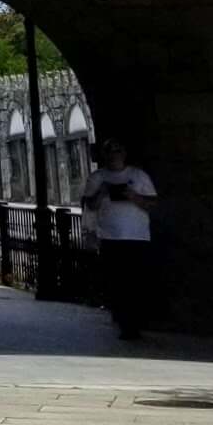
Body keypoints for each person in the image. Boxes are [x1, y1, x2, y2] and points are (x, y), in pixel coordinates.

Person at [82, 138, 159, 338]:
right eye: (109, 150)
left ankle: (136, 321)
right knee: (117, 282)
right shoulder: (97, 178)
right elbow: (90, 205)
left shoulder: (138, 176)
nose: (114, 154)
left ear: (124, 154)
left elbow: (152, 203)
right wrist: (102, 193)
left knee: (136, 281)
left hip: (137, 236)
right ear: (104, 154)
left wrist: (133, 196)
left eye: (118, 150)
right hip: (110, 237)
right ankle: (124, 322)